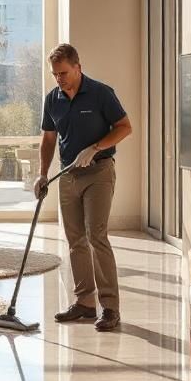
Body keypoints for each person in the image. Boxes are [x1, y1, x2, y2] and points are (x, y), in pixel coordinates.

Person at [35, 43, 132, 331]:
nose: (59, 79)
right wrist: (42, 174)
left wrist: (96, 147)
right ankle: (85, 304)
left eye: (64, 72)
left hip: (99, 171)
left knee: (96, 236)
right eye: (55, 74)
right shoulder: (53, 99)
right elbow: (49, 138)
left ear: (78, 67)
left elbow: (125, 127)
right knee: (75, 239)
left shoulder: (101, 93)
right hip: (68, 174)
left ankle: (110, 308)